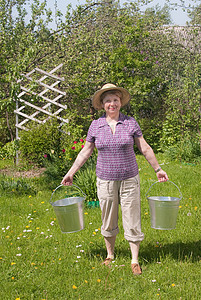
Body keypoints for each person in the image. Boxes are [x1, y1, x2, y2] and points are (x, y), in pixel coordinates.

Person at [61, 83, 169, 275]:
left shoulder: (130, 123)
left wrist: (158, 169)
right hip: (105, 180)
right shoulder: (96, 125)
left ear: (121, 103)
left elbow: (144, 148)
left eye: (115, 100)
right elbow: (85, 152)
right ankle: (110, 255)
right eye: (108, 101)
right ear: (102, 105)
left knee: (132, 217)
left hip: (129, 179)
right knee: (108, 218)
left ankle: (134, 260)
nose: (112, 104)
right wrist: (71, 172)